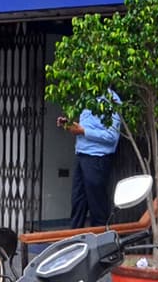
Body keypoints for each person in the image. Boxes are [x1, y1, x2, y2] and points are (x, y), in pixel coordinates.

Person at [60, 92, 122, 228]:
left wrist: (83, 131)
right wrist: (69, 125)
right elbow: (84, 127)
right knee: (77, 202)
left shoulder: (111, 99)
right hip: (81, 154)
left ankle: (100, 238)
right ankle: (74, 237)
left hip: (97, 157)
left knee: (97, 204)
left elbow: (112, 136)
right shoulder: (86, 97)